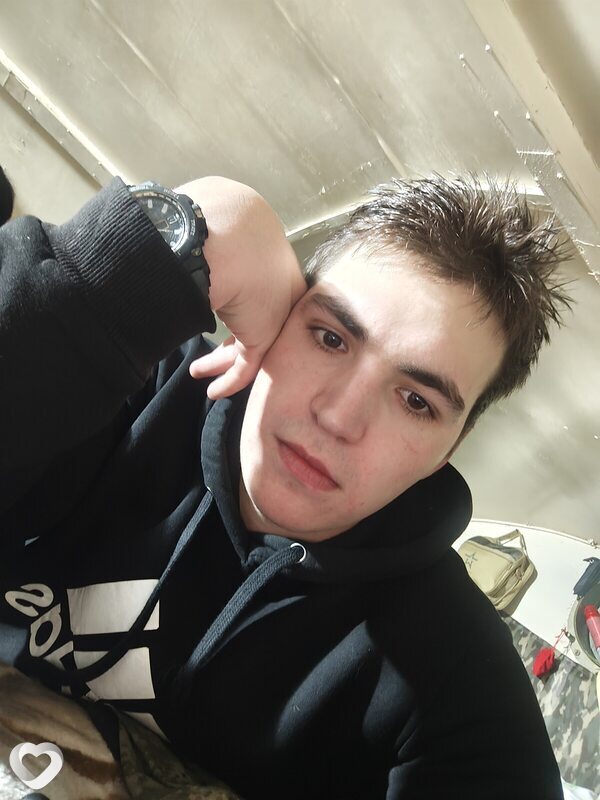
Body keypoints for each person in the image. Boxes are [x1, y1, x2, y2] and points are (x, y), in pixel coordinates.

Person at [0, 173, 570, 799]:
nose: (338, 417)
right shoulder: (122, 386)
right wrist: (145, 254)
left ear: (448, 451)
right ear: (279, 314)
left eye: (415, 401)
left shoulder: (452, 678)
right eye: (330, 337)